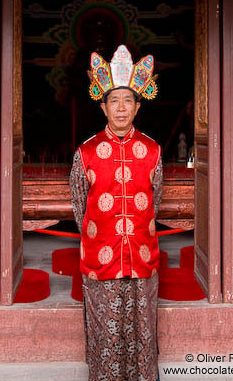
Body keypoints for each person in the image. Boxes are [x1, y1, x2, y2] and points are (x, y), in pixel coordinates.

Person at [70, 45, 163, 381]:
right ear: (103, 106)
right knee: (106, 333)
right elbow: (79, 205)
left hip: (142, 256)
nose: (121, 108)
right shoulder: (87, 152)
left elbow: (157, 198)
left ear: (138, 106)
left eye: (128, 101)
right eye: (114, 101)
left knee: (141, 329)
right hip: (101, 257)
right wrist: (103, 234)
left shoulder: (152, 150)